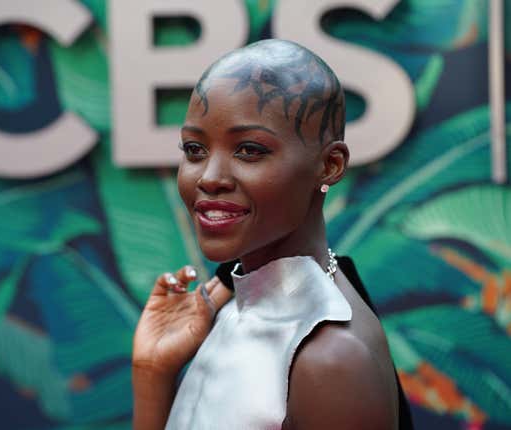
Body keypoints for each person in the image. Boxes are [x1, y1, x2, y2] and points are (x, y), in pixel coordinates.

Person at [132, 39, 413, 429]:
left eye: (248, 150)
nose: (209, 178)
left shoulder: (328, 359)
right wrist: (152, 372)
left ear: (329, 166)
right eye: (195, 149)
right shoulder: (233, 308)